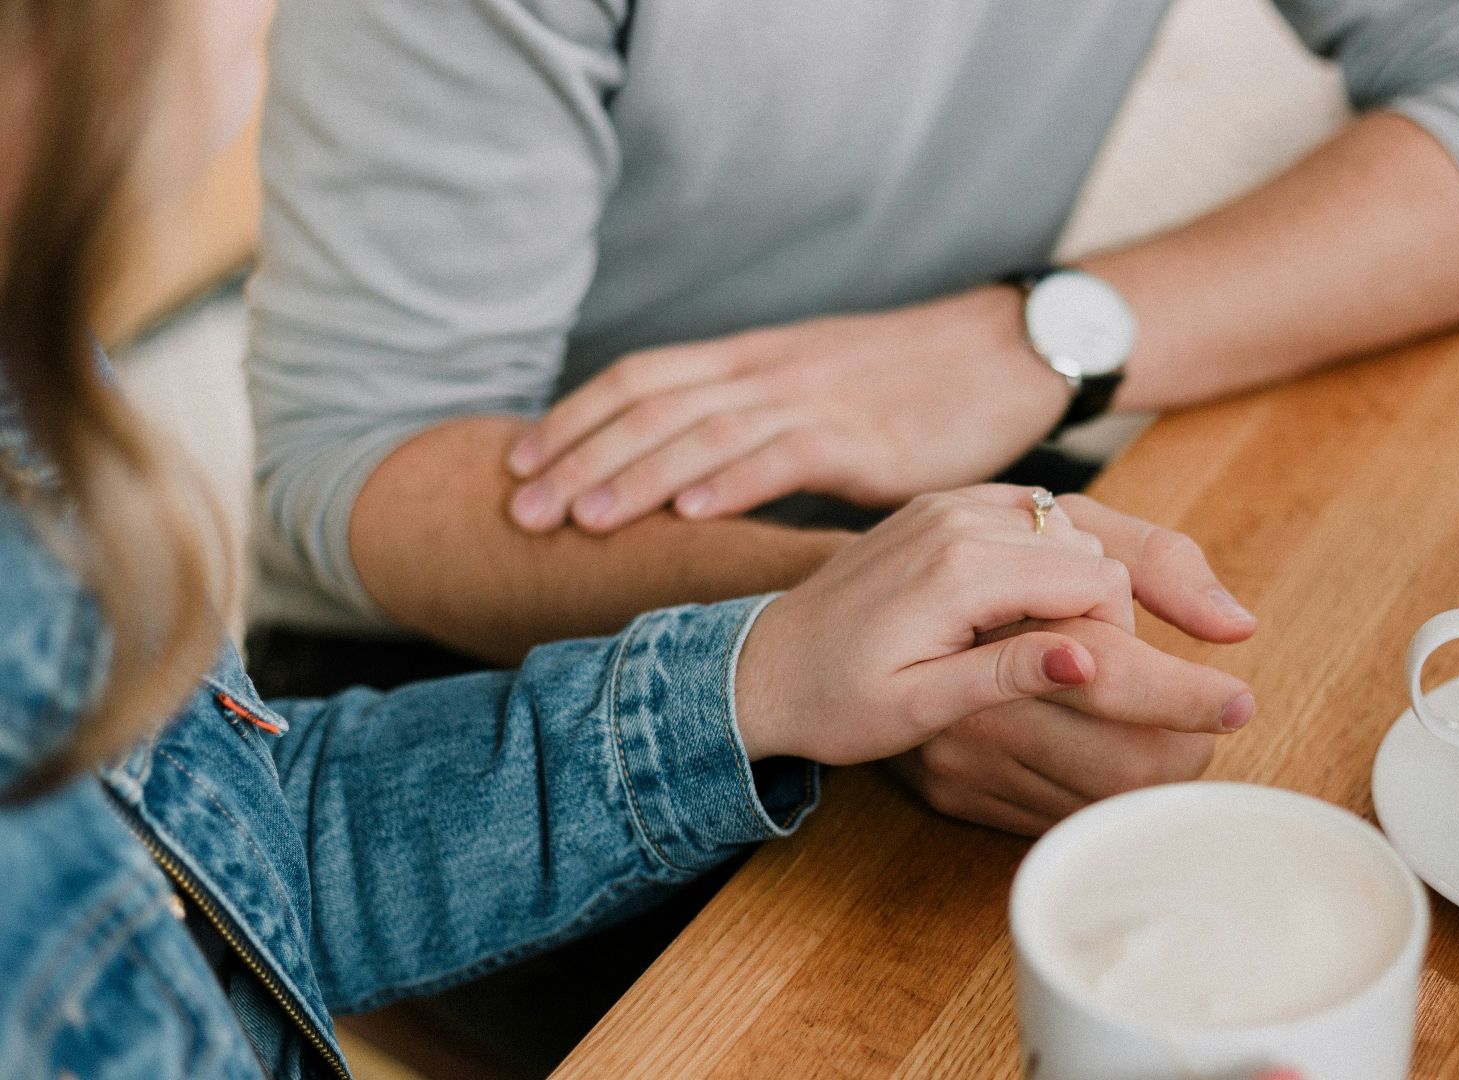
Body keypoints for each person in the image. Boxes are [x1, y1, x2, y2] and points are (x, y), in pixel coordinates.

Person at [0, 2, 1256, 1074]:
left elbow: (243, 868)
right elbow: (356, 461)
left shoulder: (36, 396)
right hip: (410, 640)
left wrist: (758, 670)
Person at [245, 0, 1459, 833]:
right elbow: (358, 462)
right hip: (456, 644)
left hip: (909, 491)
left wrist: (1035, 337)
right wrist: (841, 628)